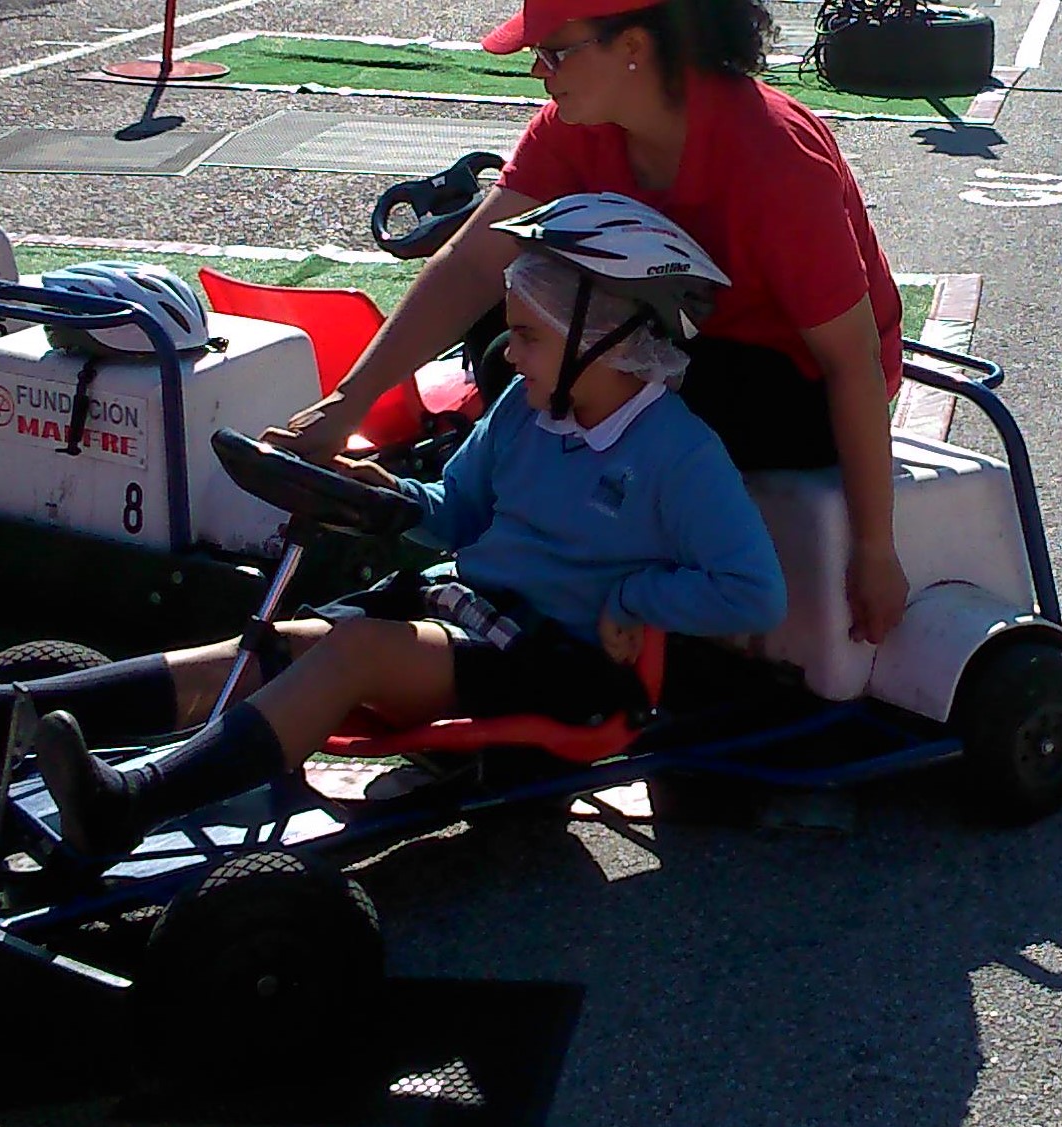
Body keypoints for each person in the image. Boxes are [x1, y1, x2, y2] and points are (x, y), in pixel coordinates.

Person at [0, 195, 787, 858]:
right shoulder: (523, 411)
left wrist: (635, 597)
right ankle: (6, 715)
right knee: (269, 646)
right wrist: (387, 492)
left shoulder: (678, 452)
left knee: (346, 655)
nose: (509, 354)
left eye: (529, 335)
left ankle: (131, 802)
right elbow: (456, 514)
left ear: (609, 336)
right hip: (468, 614)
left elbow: (754, 590)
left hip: (562, 662)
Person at [264, 0, 907, 645]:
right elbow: (472, 262)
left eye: (555, 53)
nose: (538, 71)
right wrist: (347, 404)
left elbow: (852, 361)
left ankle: (576, 597)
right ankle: (494, 543)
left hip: (792, 385)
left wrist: (875, 549)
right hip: (688, 340)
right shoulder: (577, 124)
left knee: (588, 382)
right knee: (509, 346)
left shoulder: (773, 154)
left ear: (634, 47)